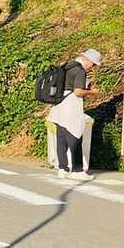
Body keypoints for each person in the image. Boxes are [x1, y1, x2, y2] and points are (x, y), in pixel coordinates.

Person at [51, 48, 102, 177]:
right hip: (71, 106)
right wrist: (92, 92)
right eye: (93, 64)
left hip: (59, 105)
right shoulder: (80, 70)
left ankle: (62, 169)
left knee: (61, 137)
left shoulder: (68, 65)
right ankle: (77, 170)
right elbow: (78, 92)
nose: (93, 68)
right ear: (88, 60)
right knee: (75, 135)